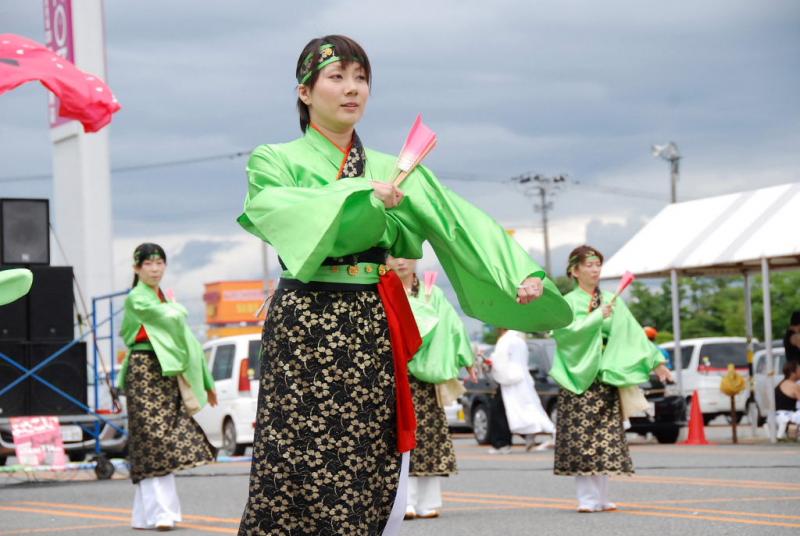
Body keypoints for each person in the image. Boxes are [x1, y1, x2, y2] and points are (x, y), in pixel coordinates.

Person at [236, 34, 569, 535]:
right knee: (297, 456)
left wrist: (518, 271)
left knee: (371, 452)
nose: (352, 89)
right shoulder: (274, 160)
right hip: (308, 319)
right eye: (337, 77)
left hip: (369, 318)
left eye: (361, 78)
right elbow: (278, 211)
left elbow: (458, 220)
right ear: (305, 93)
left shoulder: (395, 166)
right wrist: (360, 192)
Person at [551, 245, 672, 513]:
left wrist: (658, 363)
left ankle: (602, 497)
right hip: (578, 376)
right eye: (589, 265)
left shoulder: (611, 299)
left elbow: (634, 333)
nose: (595, 270)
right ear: (574, 270)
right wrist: (596, 317)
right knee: (583, 439)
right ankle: (586, 498)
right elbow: (564, 335)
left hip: (606, 376)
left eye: (598, 265)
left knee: (605, 438)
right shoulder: (567, 302)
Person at [117, 243, 217, 531]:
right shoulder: (138, 298)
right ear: (137, 268)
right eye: (148, 263)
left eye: (160, 262)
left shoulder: (164, 297)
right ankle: (161, 513)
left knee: (156, 442)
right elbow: (169, 317)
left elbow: (187, 340)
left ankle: (146, 515)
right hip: (143, 372)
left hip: (167, 372)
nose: (155, 268)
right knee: (154, 440)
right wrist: (174, 307)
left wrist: (207, 382)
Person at [386, 256, 475, 521]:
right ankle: (405, 501)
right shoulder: (384, 290)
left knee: (430, 438)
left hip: (426, 377)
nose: (400, 262)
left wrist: (466, 357)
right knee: (400, 439)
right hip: (396, 373)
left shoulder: (431, 292)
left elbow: (453, 326)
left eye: (406, 255)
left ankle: (428, 502)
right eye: (394, 256)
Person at [488, 328, 554, 453]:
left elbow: (500, 361)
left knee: (502, 411)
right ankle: (537, 433)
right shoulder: (519, 339)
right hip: (523, 378)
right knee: (528, 407)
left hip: (508, 380)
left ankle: (501, 443)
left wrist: (490, 363)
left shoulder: (505, 340)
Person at [775, 361, 800, 439]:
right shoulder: (794, 386)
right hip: (787, 415)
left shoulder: (779, 384)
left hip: (777, 414)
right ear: (793, 373)